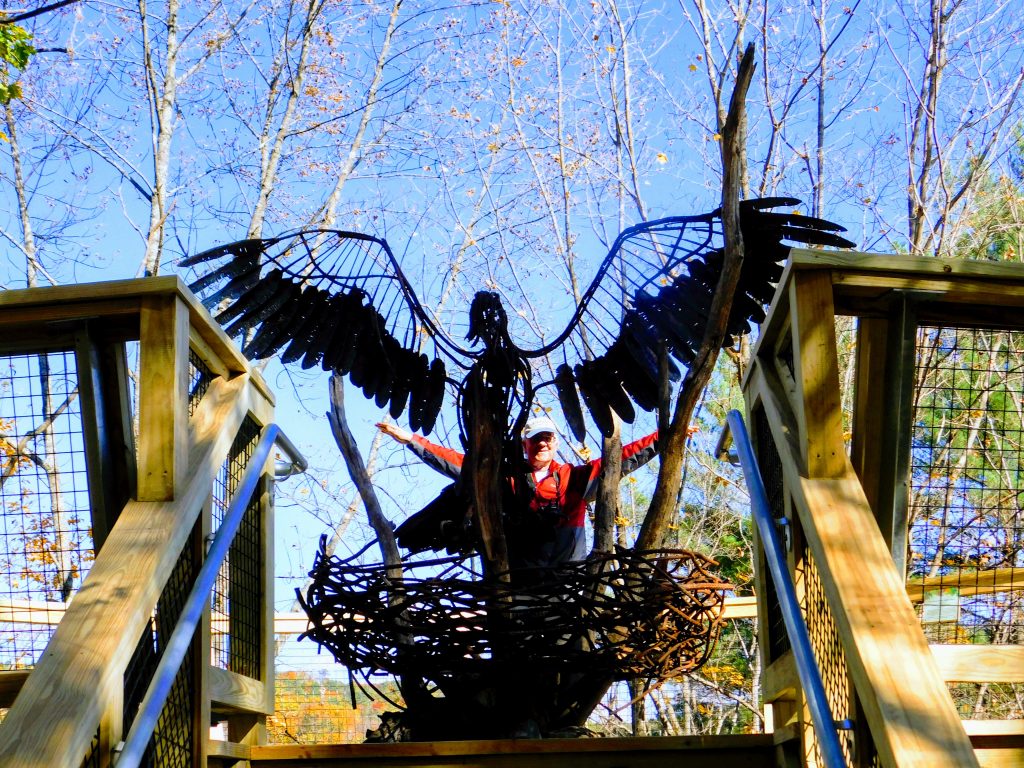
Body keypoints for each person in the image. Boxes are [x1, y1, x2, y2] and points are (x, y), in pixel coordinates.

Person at [377, 415, 679, 572]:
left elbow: (626, 456)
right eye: (536, 440)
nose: (542, 444)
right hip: (521, 580)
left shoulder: (575, 479)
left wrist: (667, 436)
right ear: (526, 444)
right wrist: (411, 439)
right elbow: (459, 463)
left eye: (548, 439)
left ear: (556, 443)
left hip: (565, 579)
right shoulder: (507, 479)